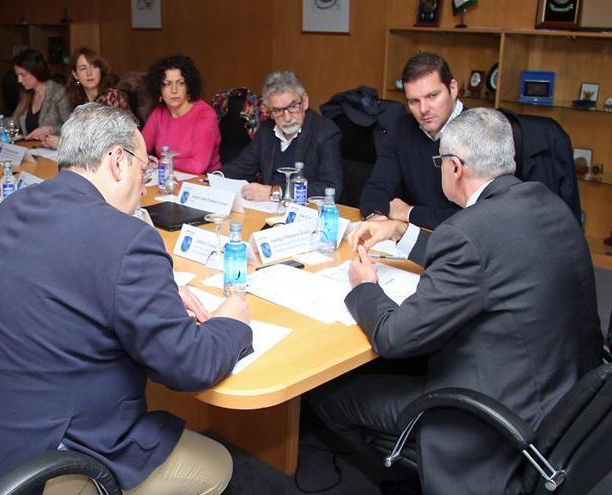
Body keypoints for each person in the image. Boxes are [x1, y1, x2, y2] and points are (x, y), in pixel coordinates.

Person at [0, 103, 253, 495]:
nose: (144, 184)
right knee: (216, 464)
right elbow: (189, 365)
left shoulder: (13, 207)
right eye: (142, 169)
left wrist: (148, 292)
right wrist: (233, 321)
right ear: (116, 160)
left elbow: (63, 276)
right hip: (34, 464)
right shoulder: (126, 239)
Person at [310, 108, 602, 494]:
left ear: (455, 167)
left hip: (493, 422)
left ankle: (407, 471)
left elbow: (393, 337)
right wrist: (401, 232)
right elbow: (488, 252)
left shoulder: (468, 232)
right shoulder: (545, 203)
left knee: (330, 397)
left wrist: (364, 286)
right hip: (566, 397)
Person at [359, 52, 463, 229]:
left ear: (453, 89)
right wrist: (376, 220)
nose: (423, 110)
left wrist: (409, 213)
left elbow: (481, 216)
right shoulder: (402, 128)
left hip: (463, 245)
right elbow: (377, 188)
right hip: (411, 237)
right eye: (414, 101)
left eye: (432, 96)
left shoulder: (481, 131)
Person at [220, 71, 343, 200]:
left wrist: (274, 192)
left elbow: (331, 187)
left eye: (293, 106)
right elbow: (243, 166)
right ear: (270, 111)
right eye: (278, 110)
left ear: (305, 101)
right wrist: (218, 177)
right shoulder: (267, 129)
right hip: (267, 209)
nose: (287, 117)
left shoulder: (325, 131)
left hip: (304, 211)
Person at [36, 46, 132, 150]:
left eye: (94, 67)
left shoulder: (112, 96)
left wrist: (63, 144)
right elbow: (79, 137)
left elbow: (108, 142)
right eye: (83, 68)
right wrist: (51, 139)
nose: (89, 73)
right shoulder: (79, 100)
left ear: (100, 70)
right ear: (75, 75)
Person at [141, 54, 221, 174]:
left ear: (188, 86)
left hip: (204, 183)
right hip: (168, 178)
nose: (174, 90)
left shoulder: (205, 115)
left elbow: (198, 166)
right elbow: (139, 150)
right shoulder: (159, 112)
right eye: (167, 84)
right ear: (159, 89)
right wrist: (145, 159)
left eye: (180, 83)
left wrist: (162, 162)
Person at [0, 49, 70, 144]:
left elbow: (73, 129)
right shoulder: (27, 94)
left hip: (53, 153)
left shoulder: (58, 93)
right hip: (31, 149)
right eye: (17, 75)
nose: (19, 80)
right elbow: (14, 122)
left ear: (36, 71)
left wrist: (51, 129)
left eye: (23, 75)